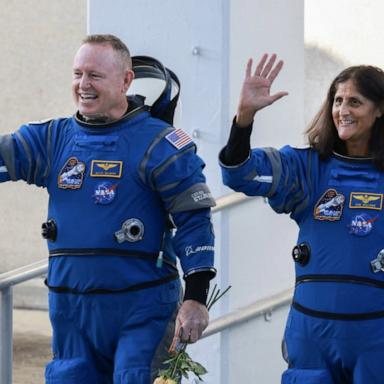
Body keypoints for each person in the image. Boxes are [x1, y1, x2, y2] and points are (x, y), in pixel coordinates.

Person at [0, 34, 216, 384]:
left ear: (126, 80)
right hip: (72, 313)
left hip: (142, 312)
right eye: (77, 74)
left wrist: (196, 298)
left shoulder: (160, 144)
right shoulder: (54, 140)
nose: (83, 84)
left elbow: (195, 221)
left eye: (94, 75)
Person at [219, 53, 384, 384]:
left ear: (380, 109)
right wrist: (244, 118)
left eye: (355, 101)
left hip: (375, 334)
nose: (343, 110)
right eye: (337, 101)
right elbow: (240, 175)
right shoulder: (308, 168)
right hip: (312, 333)